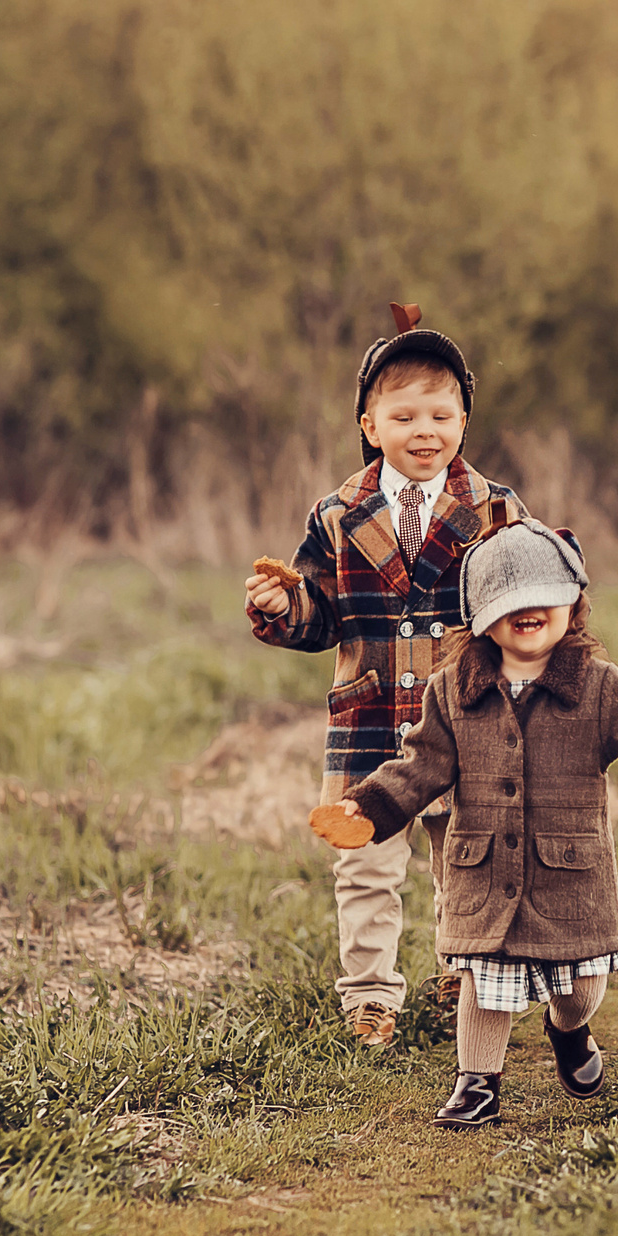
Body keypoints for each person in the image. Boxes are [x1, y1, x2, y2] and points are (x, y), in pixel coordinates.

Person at [317, 519, 618, 1126]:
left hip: (568, 877)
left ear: (573, 605)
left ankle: (568, 1031)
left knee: (576, 989)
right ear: (480, 617)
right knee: (484, 983)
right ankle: (476, 1083)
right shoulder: (451, 691)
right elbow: (419, 765)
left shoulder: (595, 688)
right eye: (508, 601)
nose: (528, 609)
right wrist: (366, 807)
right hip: (485, 871)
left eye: (543, 597)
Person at [246, 305, 524, 1047]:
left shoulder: (495, 510)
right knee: (366, 865)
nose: (424, 430)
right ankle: (370, 997)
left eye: (441, 413)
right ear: (370, 423)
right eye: (404, 415)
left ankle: (461, 973)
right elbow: (319, 614)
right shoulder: (339, 515)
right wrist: (283, 606)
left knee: (464, 858)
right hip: (368, 723)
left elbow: (524, 607)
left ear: (465, 417)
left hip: (464, 719)